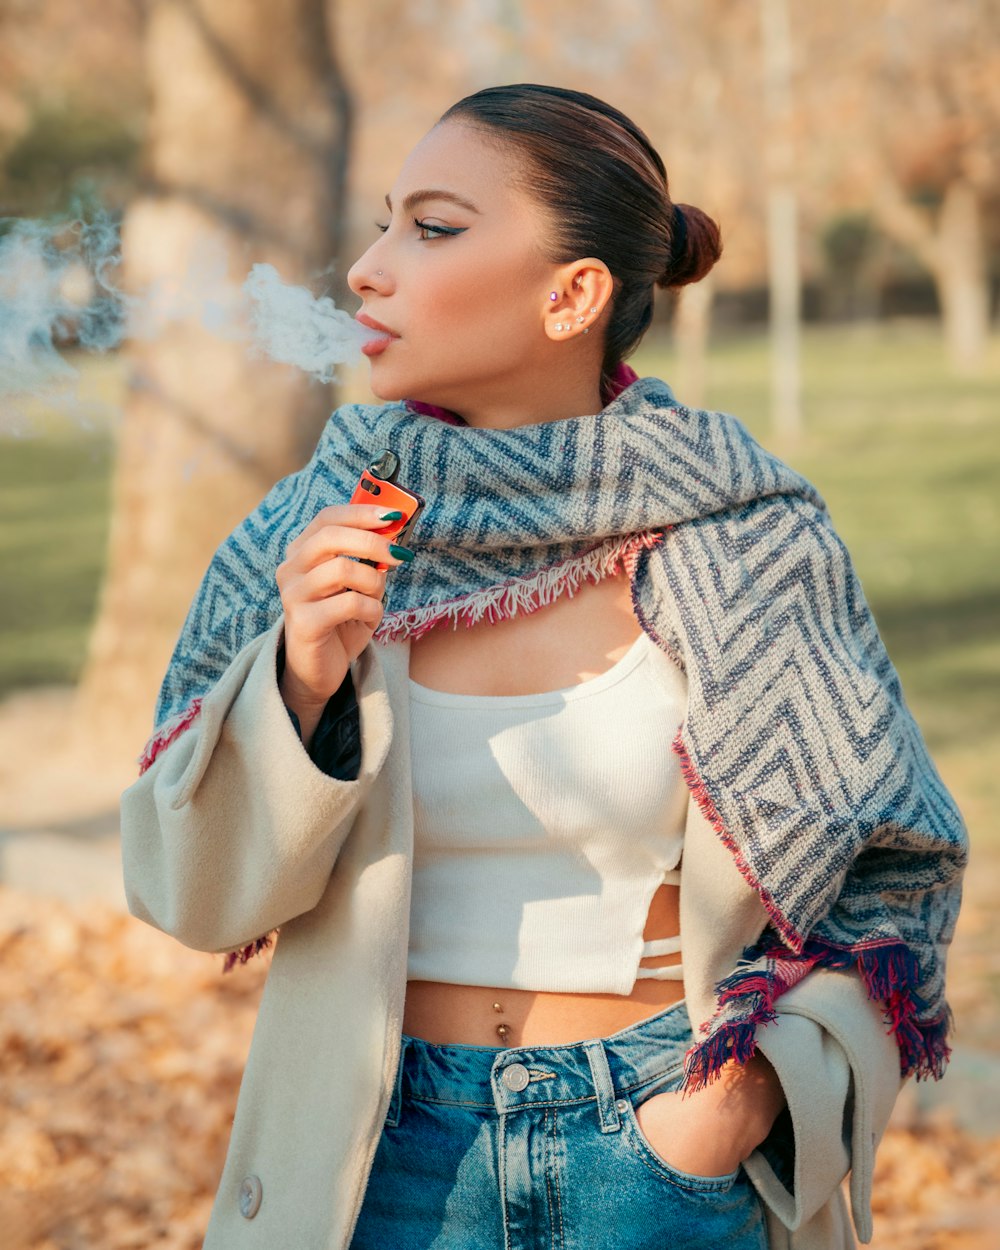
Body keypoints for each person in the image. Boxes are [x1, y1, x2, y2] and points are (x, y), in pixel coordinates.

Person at [120, 84, 967, 1250]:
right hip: (377, 1159)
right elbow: (190, 893)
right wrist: (300, 680)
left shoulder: (743, 535)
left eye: (431, 226)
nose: (368, 269)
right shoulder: (310, 530)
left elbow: (891, 876)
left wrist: (727, 1110)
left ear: (572, 293)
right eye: (383, 223)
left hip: (661, 1156)